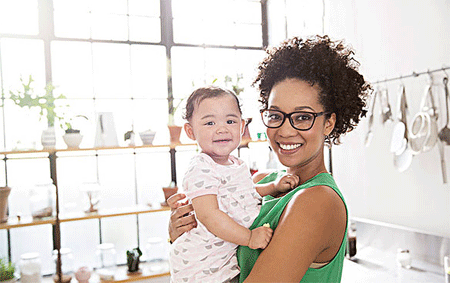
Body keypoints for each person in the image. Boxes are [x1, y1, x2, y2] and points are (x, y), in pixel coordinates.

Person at [168, 35, 370, 282]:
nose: (285, 130)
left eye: (303, 117)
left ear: (329, 122)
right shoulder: (262, 182)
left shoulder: (318, 201)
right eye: (276, 115)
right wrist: (182, 233)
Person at [169, 86, 300, 283]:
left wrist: (273, 187)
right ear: (190, 131)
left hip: (224, 264)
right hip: (202, 269)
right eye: (210, 122)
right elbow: (208, 214)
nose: (222, 129)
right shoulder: (201, 167)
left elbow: (241, 195)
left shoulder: (236, 164)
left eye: (230, 121)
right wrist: (249, 238)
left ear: (241, 126)